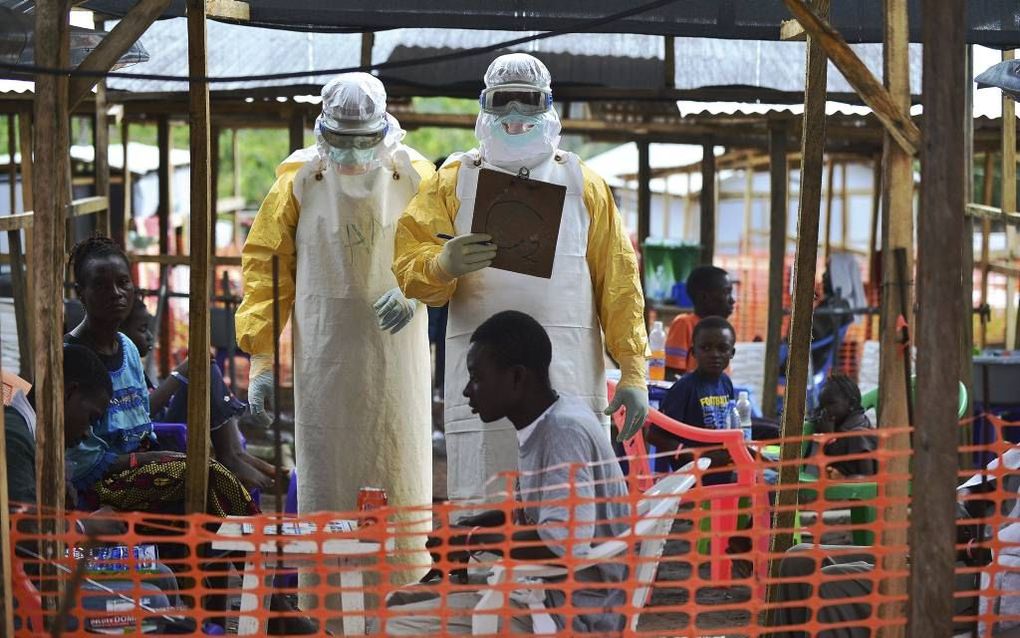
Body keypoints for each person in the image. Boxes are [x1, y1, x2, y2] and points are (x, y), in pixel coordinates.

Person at [392, 53, 648, 504]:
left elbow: (619, 283)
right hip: (484, 376)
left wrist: (634, 369)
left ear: (548, 105)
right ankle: (490, 574)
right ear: (484, 105)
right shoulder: (452, 180)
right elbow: (412, 263)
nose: (514, 116)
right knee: (490, 491)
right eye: (502, 102)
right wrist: (441, 265)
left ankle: (563, 575)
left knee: (565, 496)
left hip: (565, 372)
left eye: (527, 102)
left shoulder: (584, 183)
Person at [235, 73, 435, 581]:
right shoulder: (299, 181)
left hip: (396, 359)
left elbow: (443, 247)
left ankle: (403, 591)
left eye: (362, 141)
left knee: (398, 473)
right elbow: (267, 268)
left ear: (383, 130)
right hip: (325, 359)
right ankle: (322, 604)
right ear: (325, 133)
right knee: (329, 478)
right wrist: (260, 356)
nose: (351, 154)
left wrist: (418, 290)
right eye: (341, 142)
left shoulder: (415, 176)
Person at [381, 310, 631, 634]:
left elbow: (562, 541)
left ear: (516, 377)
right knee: (398, 601)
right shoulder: (550, 419)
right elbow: (548, 515)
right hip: (547, 592)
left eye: (476, 377)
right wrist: (477, 526)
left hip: (571, 611)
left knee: (390, 624)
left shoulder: (562, 432)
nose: (468, 391)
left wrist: (471, 538)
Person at [64, 236, 258, 517]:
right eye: (101, 285)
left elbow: (142, 418)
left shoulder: (127, 348)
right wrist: (146, 459)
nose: (116, 293)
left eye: (123, 282)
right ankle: (246, 545)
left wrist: (154, 455)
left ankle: (226, 552)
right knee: (206, 475)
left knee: (205, 474)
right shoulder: (72, 357)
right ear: (81, 293)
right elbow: (80, 458)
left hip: (144, 461)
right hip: (101, 481)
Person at [8, 344, 189, 634]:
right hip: (19, 594)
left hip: (51, 566)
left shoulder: (36, 438)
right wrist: (84, 527)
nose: (86, 434)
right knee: (152, 601)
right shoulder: (13, 437)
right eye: (91, 418)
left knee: (162, 574)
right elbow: (26, 538)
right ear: (69, 393)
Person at [121, 294, 275, 491]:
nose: (150, 337)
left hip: (164, 430)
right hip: (155, 444)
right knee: (202, 368)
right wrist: (179, 374)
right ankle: (231, 456)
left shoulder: (133, 365)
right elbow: (140, 414)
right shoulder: (120, 370)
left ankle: (235, 454)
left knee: (204, 367)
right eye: (143, 330)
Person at [652, 316, 736, 479]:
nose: (714, 354)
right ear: (693, 353)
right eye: (705, 348)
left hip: (720, 465)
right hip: (694, 473)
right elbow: (655, 435)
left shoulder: (726, 383)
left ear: (731, 353)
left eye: (722, 348)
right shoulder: (685, 388)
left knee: (767, 475)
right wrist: (693, 457)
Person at [664, 266, 735, 380]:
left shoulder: (724, 330)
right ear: (704, 297)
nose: (732, 300)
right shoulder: (684, 324)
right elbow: (672, 374)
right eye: (726, 292)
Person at [810, 375, 876, 479]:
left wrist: (829, 436)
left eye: (831, 404)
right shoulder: (835, 423)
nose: (825, 410)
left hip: (863, 484)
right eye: (822, 406)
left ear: (852, 404)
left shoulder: (858, 430)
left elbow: (836, 454)